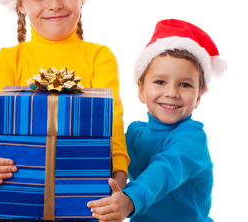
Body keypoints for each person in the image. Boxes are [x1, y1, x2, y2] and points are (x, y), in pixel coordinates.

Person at [0, 0, 130, 211]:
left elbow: (113, 122)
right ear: (21, 5)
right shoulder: (8, 59)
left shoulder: (100, 56)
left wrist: (119, 175)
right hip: (20, 192)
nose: (54, 4)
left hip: (88, 197)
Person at [87, 19, 227, 221]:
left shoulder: (191, 139)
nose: (171, 93)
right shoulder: (135, 135)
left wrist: (129, 199)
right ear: (141, 90)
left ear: (198, 97)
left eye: (185, 85)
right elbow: (104, 158)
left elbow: (163, 172)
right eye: (160, 82)